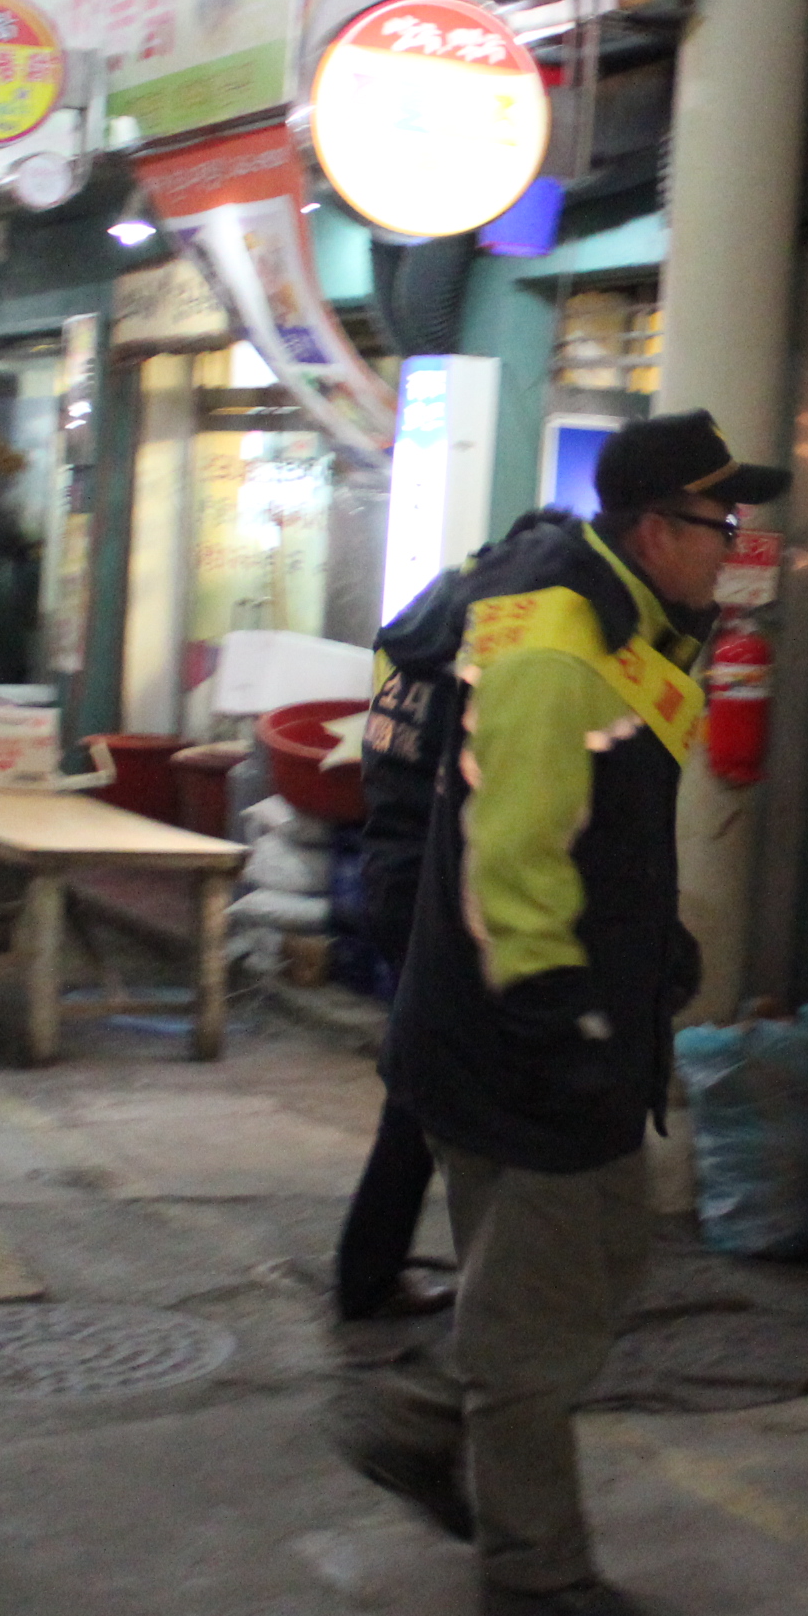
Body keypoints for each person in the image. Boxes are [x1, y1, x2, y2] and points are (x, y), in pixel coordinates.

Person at [337, 413, 781, 1616]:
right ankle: (533, 1570)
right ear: (656, 529)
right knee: (540, 1314)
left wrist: (648, 947)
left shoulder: (629, 626)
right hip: (520, 1035)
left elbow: (595, 834)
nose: (735, 545)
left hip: (564, 1025)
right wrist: (561, 1015)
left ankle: (424, 1417)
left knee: (600, 1265)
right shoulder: (556, 641)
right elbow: (515, 857)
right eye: (720, 523)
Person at [335, 506, 583, 1325]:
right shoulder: (495, 642)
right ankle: (377, 1276)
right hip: (440, 889)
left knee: (427, 1084)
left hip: (387, 867)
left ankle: (381, 1268)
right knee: (432, 1093)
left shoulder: (423, 627)